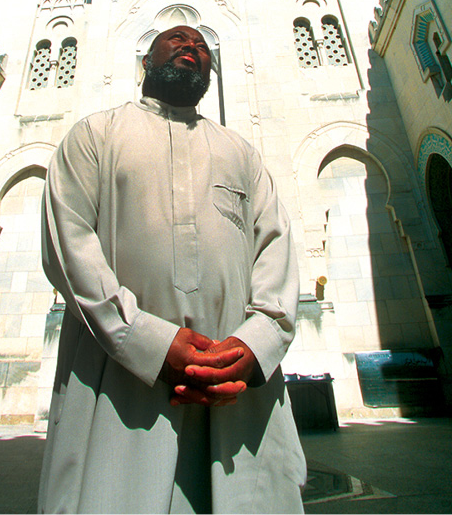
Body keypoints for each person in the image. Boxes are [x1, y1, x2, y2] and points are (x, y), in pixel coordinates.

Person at [38, 25, 306, 514]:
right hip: (119, 382)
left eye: (202, 45)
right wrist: (146, 342)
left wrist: (256, 343)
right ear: (145, 60)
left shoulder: (239, 151)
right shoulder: (95, 135)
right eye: (177, 39)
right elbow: (68, 243)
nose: (192, 47)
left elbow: (276, 246)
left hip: (235, 385)